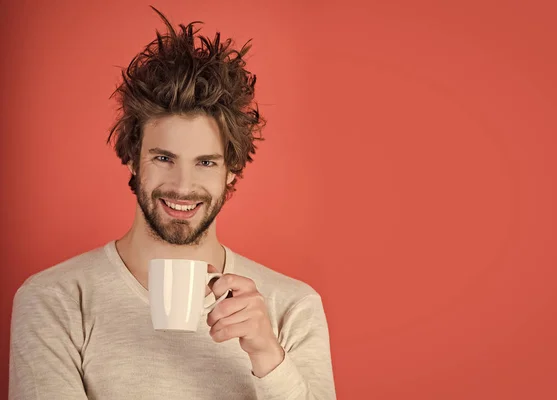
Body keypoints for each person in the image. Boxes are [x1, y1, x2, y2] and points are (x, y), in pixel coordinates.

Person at [9, 7, 336, 400]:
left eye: (205, 162)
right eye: (164, 158)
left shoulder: (292, 306)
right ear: (133, 157)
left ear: (230, 170)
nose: (183, 187)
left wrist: (268, 355)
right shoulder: (54, 299)